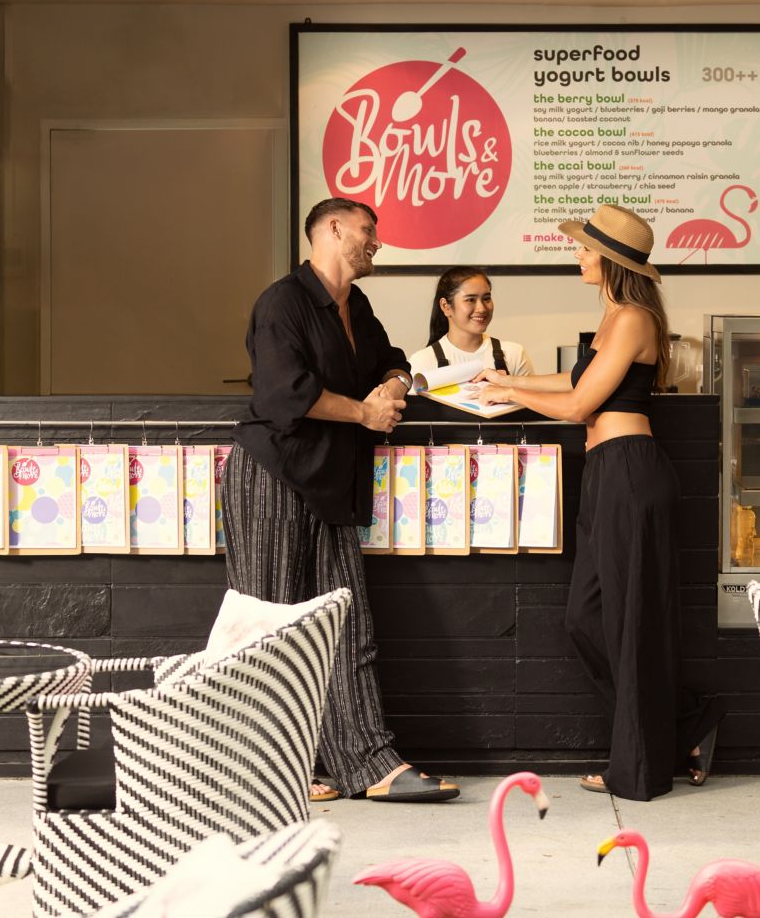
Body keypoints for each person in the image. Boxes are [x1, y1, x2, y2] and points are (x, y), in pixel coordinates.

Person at [475, 204, 723, 801]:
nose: (578, 255)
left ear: (611, 260)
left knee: (629, 623)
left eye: (586, 248)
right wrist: (507, 383)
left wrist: (516, 395)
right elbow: (575, 381)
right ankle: (685, 722)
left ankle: (638, 767)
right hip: (609, 473)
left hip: (631, 473)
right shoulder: (613, 316)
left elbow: (580, 405)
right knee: (587, 619)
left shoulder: (634, 318)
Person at [221, 196, 460, 805]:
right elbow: (285, 394)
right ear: (331, 229)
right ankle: (270, 771)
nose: (376, 240)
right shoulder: (283, 303)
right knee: (271, 627)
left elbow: (395, 363)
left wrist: (393, 386)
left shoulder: (358, 306)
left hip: (331, 482)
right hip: (274, 477)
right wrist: (364, 412)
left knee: (345, 623)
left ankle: (369, 763)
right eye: (367, 229)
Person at [407, 266, 534, 380]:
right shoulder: (423, 362)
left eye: (486, 298)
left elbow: (533, 398)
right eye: (470, 300)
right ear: (446, 306)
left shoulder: (514, 354)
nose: (482, 308)